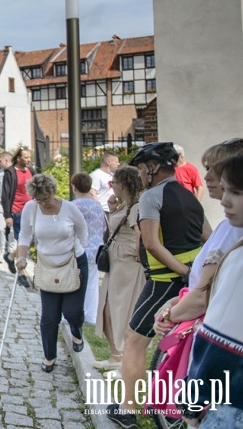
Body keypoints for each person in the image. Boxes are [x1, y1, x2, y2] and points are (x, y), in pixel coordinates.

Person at [107, 142, 206, 429]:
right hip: (189, 280)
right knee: (174, 342)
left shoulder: (152, 196)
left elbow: (151, 242)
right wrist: (196, 273)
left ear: (152, 167)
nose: (138, 175)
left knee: (135, 341)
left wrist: (182, 271)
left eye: (140, 169)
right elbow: (206, 235)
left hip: (164, 280)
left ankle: (127, 411)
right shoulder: (189, 196)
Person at [152, 154, 243, 428]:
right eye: (226, 190)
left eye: (236, 192)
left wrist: (192, 403)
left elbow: (221, 341)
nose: (225, 200)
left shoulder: (239, 256)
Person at [14, 173, 89, 373]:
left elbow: (83, 234)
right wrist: (21, 257)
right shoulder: (31, 208)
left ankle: (76, 331)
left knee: (72, 311)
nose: (43, 203)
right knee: (49, 316)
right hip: (47, 266)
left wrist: (69, 250)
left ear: (53, 193)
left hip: (73, 263)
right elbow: (25, 234)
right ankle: (49, 356)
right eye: (38, 199)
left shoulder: (70, 209)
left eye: (45, 199)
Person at [94, 166, 146, 372]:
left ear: (122, 184)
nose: (111, 186)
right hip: (116, 264)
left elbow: (141, 236)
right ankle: (117, 354)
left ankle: (124, 357)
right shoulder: (126, 206)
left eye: (112, 183)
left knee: (122, 308)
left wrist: (137, 256)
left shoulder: (136, 208)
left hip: (127, 265)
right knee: (107, 307)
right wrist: (113, 210)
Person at [70, 172, 107, 325]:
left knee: (74, 282)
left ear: (74, 187)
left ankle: (72, 313)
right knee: (92, 282)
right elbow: (104, 227)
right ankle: (91, 315)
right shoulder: (97, 205)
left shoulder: (73, 206)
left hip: (80, 248)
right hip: (97, 248)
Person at [2, 147, 36, 250]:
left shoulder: (31, 171)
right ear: (18, 158)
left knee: (32, 240)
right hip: (18, 211)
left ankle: (13, 257)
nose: (29, 159)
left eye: (29, 157)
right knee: (23, 239)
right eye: (26, 157)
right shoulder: (10, 172)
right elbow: (5, 194)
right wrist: (8, 215)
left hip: (32, 209)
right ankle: (21, 263)